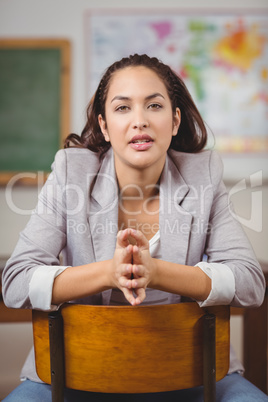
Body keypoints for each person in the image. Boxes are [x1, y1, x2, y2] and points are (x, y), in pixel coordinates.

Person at [2, 54, 267, 401]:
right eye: (123, 108)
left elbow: (250, 283)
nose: (139, 121)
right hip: (75, 373)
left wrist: (157, 272)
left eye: (154, 106)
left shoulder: (203, 176)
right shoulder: (71, 173)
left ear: (174, 121)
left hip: (188, 373)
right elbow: (15, 282)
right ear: (105, 126)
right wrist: (108, 273)